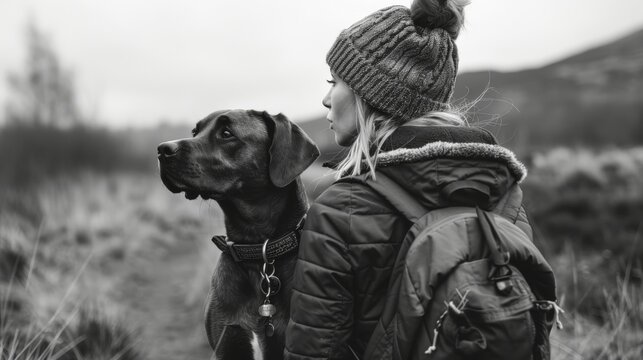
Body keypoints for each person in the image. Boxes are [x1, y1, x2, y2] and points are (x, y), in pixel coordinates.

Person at [284, 0, 552, 359]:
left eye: (335, 82)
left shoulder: (339, 209)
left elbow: (315, 351)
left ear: (371, 95)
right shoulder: (505, 196)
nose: (326, 99)